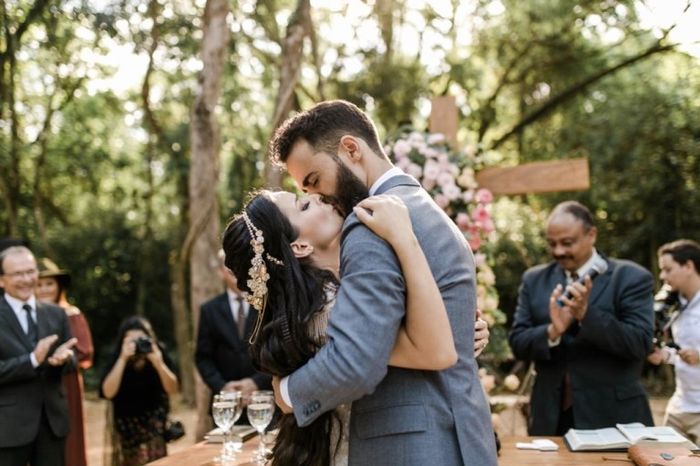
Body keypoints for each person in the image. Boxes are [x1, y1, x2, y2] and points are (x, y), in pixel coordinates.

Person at [266, 99, 497, 465]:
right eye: (306, 195)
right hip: (460, 432)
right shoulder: (427, 207)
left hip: (414, 446)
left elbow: (357, 358)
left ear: (351, 149)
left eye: (314, 182)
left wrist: (287, 393)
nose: (319, 197)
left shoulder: (371, 222)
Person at [224, 192, 489, 465]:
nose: (317, 196)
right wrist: (403, 237)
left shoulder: (353, 285)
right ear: (300, 247)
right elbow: (431, 350)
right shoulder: (326, 313)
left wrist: (462, 331)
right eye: (303, 205)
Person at [509, 200, 655, 435]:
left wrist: (586, 315)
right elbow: (517, 342)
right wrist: (552, 332)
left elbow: (640, 343)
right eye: (552, 244)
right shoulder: (534, 280)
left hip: (615, 417)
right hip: (550, 418)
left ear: (592, 235)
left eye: (567, 243)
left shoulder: (630, 277)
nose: (558, 251)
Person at [0, 246, 77, 466]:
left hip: (52, 424)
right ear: (1, 280)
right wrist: (32, 360)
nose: (26, 279)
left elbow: (71, 361)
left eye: (31, 271)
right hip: (7, 428)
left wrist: (64, 360)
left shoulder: (57, 313)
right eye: (17, 274)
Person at [195, 249, 272, 425]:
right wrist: (223, 387)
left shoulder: (267, 305)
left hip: (263, 401)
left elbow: (276, 350)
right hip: (226, 405)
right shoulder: (209, 310)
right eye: (231, 271)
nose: (237, 276)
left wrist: (255, 382)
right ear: (221, 273)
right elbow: (202, 357)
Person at [35, 258, 94, 466]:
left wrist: (62, 358)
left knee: (68, 439)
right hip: (34, 386)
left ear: (58, 286)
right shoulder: (26, 315)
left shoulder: (71, 314)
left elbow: (84, 351)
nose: (43, 289)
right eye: (39, 284)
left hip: (65, 383)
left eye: (49, 284)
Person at [100, 316, 179, 466]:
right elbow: (107, 392)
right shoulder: (117, 357)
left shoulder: (158, 352)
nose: (136, 344)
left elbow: (173, 389)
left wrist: (158, 362)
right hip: (127, 424)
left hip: (154, 421)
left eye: (141, 339)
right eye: (131, 340)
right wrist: (122, 359)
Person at [647, 239, 700, 443]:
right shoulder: (671, 305)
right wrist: (663, 355)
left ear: (688, 266)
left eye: (668, 269)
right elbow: (680, 352)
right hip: (679, 407)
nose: (662, 276)